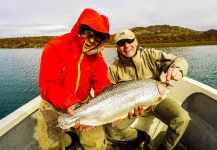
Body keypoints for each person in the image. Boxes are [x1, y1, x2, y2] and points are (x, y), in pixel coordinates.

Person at [37, 8, 112, 150]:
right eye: (88, 33)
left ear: (102, 40)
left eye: (97, 37)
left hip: (84, 104)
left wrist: (107, 106)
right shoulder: (55, 47)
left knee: (97, 144)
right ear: (80, 28)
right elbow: (49, 84)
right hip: (52, 105)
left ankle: (70, 136)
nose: (91, 40)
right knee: (50, 146)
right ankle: (65, 137)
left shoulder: (97, 57)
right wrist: (70, 103)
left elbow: (102, 86)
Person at [106, 29, 190, 150]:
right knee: (111, 130)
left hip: (157, 100)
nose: (127, 46)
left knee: (182, 118)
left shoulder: (151, 55)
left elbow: (179, 60)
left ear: (136, 41)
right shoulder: (114, 68)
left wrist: (178, 69)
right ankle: (138, 136)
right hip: (129, 106)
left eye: (130, 40)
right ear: (117, 47)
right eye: (121, 43)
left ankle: (160, 147)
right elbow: (109, 95)